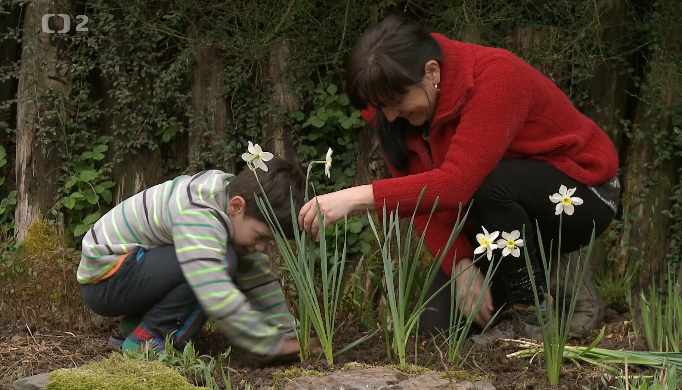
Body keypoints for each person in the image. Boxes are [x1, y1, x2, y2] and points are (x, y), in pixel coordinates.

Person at [298, 16, 620, 337]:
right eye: (382, 107)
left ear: (432, 72)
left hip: (582, 193)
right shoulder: (389, 108)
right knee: (437, 336)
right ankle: (535, 279)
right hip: (497, 216)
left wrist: (356, 198)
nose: (391, 116)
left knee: (486, 184)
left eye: (397, 103)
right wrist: (459, 264)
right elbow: (422, 205)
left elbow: (456, 185)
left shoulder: (496, 77)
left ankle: (532, 311)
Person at [78, 156, 308, 357]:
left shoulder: (227, 205)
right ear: (237, 206)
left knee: (225, 257)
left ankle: (136, 326)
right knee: (219, 263)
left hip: (127, 273)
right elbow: (213, 288)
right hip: (106, 279)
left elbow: (259, 280)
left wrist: (290, 335)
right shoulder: (199, 211)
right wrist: (266, 343)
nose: (261, 247)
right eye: (260, 236)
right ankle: (147, 340)